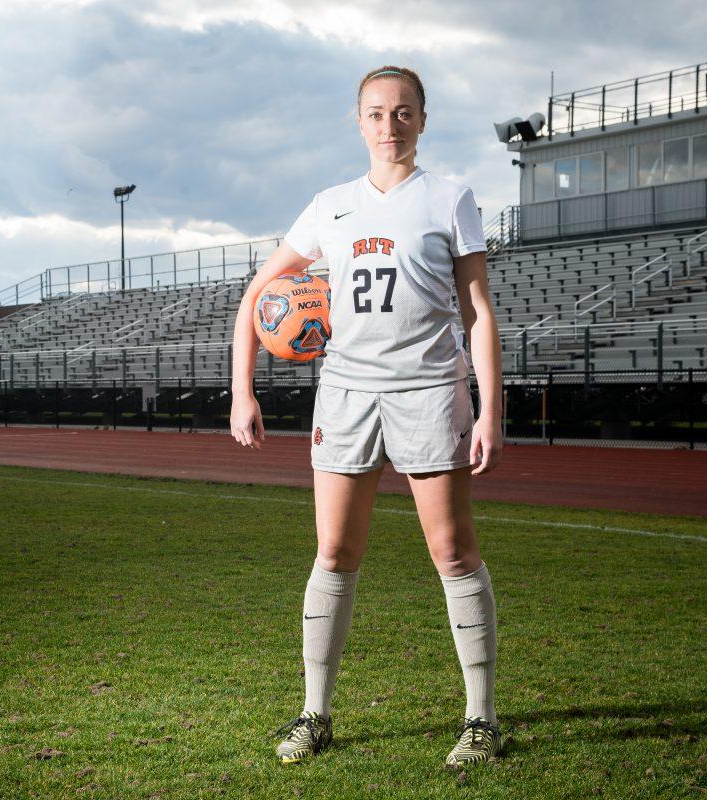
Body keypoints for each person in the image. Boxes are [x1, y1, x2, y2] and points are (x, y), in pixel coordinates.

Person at [229, 65, 504, 768]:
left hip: (428, 390)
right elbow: (257, 293)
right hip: (347, 394)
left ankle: (481, 720)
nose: (391, 126)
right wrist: (243, 390)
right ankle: (315, 714)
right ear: (359, 122)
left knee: (452, 552)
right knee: (335, 554)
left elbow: (477, 311)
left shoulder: (450, 197)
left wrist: (489, 407)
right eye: (378, 114)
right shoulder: (330, 205)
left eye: (404, 112)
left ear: (422, 119)